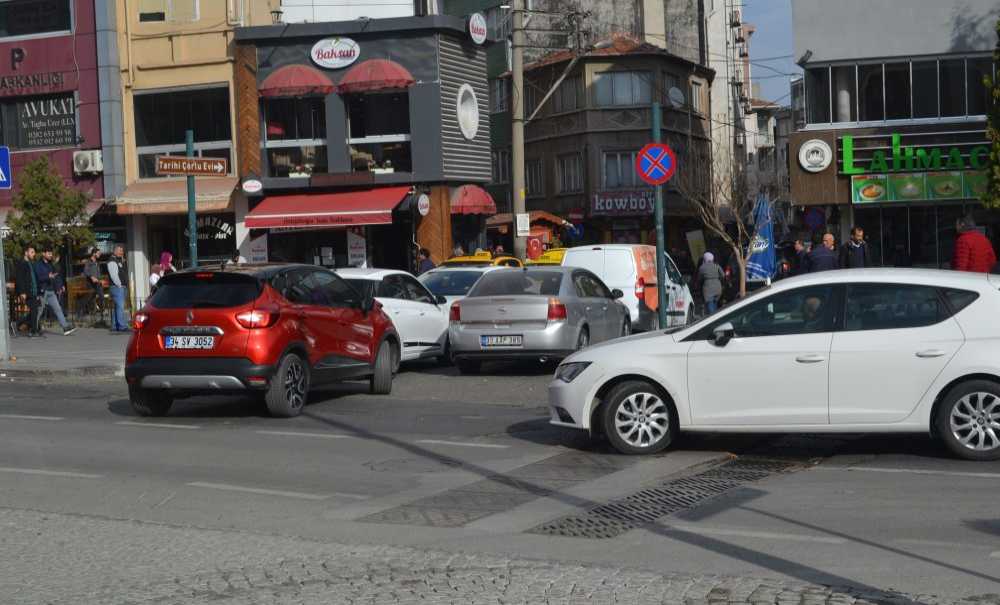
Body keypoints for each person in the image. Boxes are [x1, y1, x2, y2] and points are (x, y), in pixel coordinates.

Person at [34, 248, 75, 335]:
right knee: (39, 311)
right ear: (43, 253)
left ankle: (65, 328)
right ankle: (33, 327)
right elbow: (38, 277)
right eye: (49, 253)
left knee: (58, 309)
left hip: (51, 290)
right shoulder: (38, 265)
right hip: (42, 290)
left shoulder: (50, 265)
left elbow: (55, 276)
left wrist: (60, 286)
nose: (50, 255)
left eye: (51, 254)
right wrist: (48, 276)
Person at [12, 246, 41, 337]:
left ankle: (19, 323)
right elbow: (20, 279)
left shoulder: (31, 264)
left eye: (34, 252)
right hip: (26, 291)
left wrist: (38, 292)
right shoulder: (22, 264)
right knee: (34, 310)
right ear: (26, 253)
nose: (34, 254)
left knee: (35, 311)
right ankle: (33, 330)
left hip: (33, 291)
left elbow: (34, 279)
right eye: (32, 252)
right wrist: (22, 292)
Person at [108, 245, 130, 333]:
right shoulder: (112, 261)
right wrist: (119, 285)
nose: (122, 252)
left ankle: (114, 325)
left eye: (122, 251)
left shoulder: (120, 260)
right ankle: (122, 326)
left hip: (121, 287)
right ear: (115, 251)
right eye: (120, 251)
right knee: (120, 307)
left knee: (118, 307)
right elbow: (114, 275)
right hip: (117, 287)